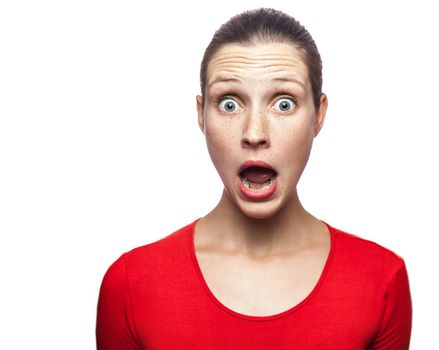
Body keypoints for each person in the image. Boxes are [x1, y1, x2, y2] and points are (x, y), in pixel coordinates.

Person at [96, 7, 412, 349]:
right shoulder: (131, 284)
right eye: (230, 104)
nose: (255, 133)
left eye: (284, 104)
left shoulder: (379, 279)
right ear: (201, 115)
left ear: (318, 115)